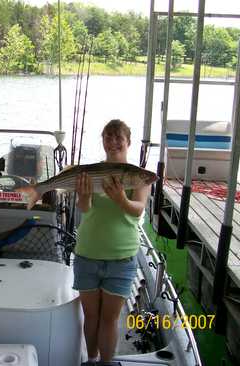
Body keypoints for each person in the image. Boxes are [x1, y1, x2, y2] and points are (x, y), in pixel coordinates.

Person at [73, 119, 151, 363]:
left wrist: (120, 199)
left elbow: (138, 209)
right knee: (91, 316)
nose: (113, 142)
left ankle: (106, 363)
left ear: (128, 141)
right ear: (103, 141)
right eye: (108, 136)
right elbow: (84, 208)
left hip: (121, 257)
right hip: (87, 252)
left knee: (109, 319)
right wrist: (83, 196)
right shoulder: (91, 172)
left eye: (119, 137)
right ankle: (92, 359)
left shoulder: (139, 176)